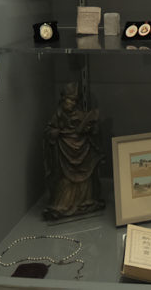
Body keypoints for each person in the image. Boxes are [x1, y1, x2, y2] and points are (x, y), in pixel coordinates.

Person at [42, 83, 104, 220]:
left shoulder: (80, 114)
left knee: (85, 179)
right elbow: (48, 131)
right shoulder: (57, 115)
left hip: (82, 152)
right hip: (64, 154)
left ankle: (86, 202)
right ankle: (62, 206)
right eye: (70, 100)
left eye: (75, 101)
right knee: (65, 181)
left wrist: (90, 129)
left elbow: (92, 130)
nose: (72, 103)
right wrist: (55, 133)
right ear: (63, 99)